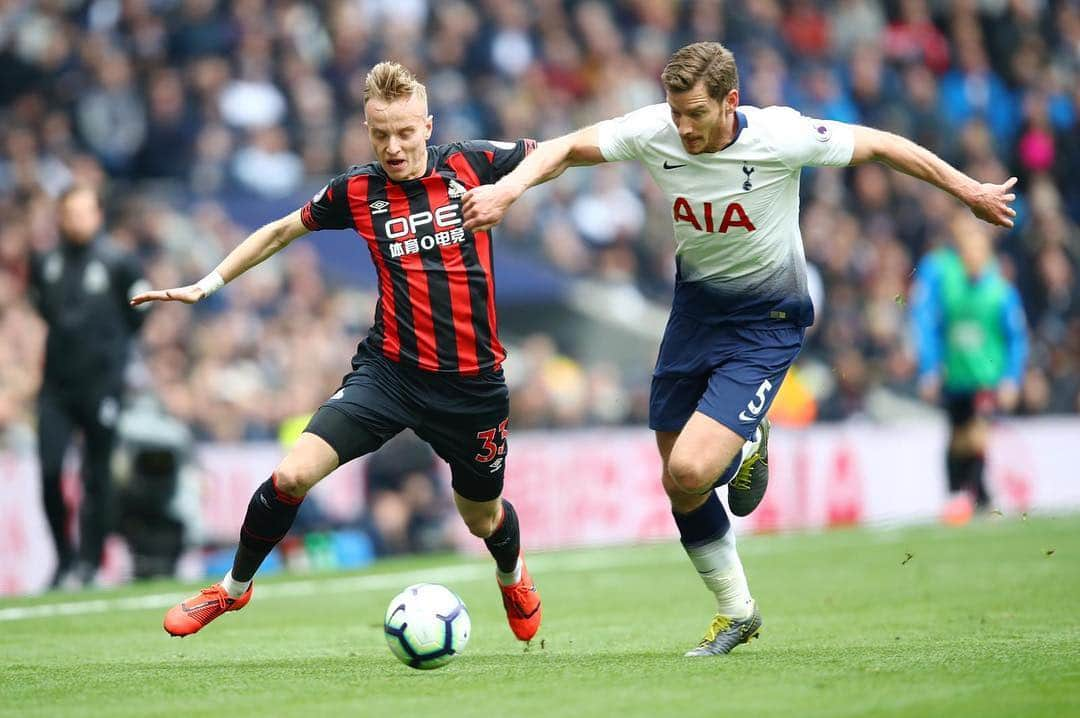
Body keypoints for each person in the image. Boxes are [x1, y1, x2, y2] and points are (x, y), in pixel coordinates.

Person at [462, 41, 1017, 656]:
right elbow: (565, 148)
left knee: (693, 469)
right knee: (680, 485)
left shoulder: (782, 135)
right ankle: (738, 611)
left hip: (766, 320)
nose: (683, 127)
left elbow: (884, 144)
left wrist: (969, 191)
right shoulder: (657, 130)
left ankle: (749, 437)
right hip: (694, 314)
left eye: (695, 113)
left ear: (731, 101)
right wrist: (509, 191)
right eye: (676, 113)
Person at [131, 62, 542, 642]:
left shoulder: (471, 163)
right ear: (366, 129)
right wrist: (208, 283)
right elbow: (279, 231)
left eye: (404, 133)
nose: (393, 148)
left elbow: (561, 151)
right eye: (380, 135)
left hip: (472, 387)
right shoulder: (358, 191)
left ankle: (512, 572)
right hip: (390, 372)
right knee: (292, 473)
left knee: (481, 516)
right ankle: (232, 589)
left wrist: (511, 189)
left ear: (428, 126)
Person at [28, 184, 150, 588]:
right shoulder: (45, 262)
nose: (76, 220)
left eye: (84, 212)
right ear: (60, 216)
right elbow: (43, 309)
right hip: (56, 389)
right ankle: (63, 559)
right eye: (70, 212)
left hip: (101, 387)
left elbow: (139, 314)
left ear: (98, 215)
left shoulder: (118, 262)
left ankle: (89, 562)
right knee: (48, 470)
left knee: (96, 477)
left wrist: (110, 362)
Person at [910, 210, 1028, 523]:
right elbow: (931, 324)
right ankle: (976, 496)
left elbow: (1016, 338)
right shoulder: (951, 288)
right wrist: (931, 367)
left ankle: (969, 497)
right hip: (957, 376)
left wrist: (1011, 379)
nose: (972, 255)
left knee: (976, 436)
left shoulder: (1001, 292)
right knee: (958, 438)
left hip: (986, 379)